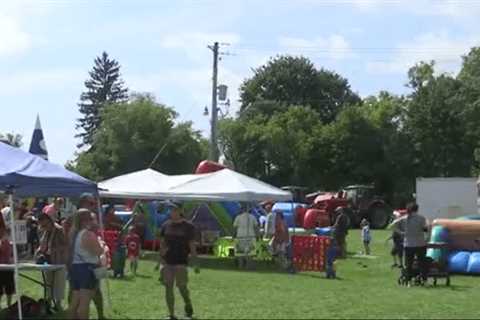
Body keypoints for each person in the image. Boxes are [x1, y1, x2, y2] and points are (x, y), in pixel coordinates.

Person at [64, 193, 105, 320]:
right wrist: (102, 245)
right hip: (87, 269)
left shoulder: (74, 233)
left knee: (74, 303)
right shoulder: (88, 234)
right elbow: (99, 252)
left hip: (76, 268)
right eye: (91, 218)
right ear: (86, 220)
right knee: (84, 304)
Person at [158, 201, 198, 320]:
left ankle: (188, 303)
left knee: (182, 287)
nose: (172, 212)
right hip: (167, 261)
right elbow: (163, 243)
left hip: (181, 261)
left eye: (175, 209)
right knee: (168, 287)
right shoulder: (166, 225)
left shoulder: (188, 226)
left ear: (181, 210)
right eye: (171, 209)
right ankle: (171, 314)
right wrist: (160, 259)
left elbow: (192, 245)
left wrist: (195, 262)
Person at [388, 202, 429, 286]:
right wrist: (426, 237)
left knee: (408, 264)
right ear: (417, 209)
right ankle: (424, 280)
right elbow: (427, 228)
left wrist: (401, 233)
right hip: (420, 243)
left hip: (409, 244)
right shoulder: (421, 218)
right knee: (422, 263)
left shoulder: (405, 218)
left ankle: (409, 282)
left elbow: (391, 226)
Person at [36, 210, 68, 310]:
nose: (43, 226)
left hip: (59, 260)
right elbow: (42, 245)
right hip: (47, 260)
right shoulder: (44, 231)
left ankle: (57, 304)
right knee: (48, 282)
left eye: (44, 223)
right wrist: (39, 251)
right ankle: (48, 302)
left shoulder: (59, 230)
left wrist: (54, 249)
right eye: (41, 223)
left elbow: (66, 245)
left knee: (58, 283)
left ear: (49, 221)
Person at [233, 204, 259, 269]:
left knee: (240, 253)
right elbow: (256, 227)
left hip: (240, 236)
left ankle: (240, 266)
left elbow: (235, 227)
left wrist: (233, 235)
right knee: (250, 253)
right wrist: (258, 235)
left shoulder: (238, 217)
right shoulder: (253, 217)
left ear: (242, 210)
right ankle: (248, 266)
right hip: (251, 236)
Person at [0, 227, 14, 308]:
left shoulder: (8, 243)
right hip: (1, 268)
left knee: (9, 287)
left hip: (8, 268)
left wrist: (3, 241)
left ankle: (9, 304)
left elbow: (7, 253)